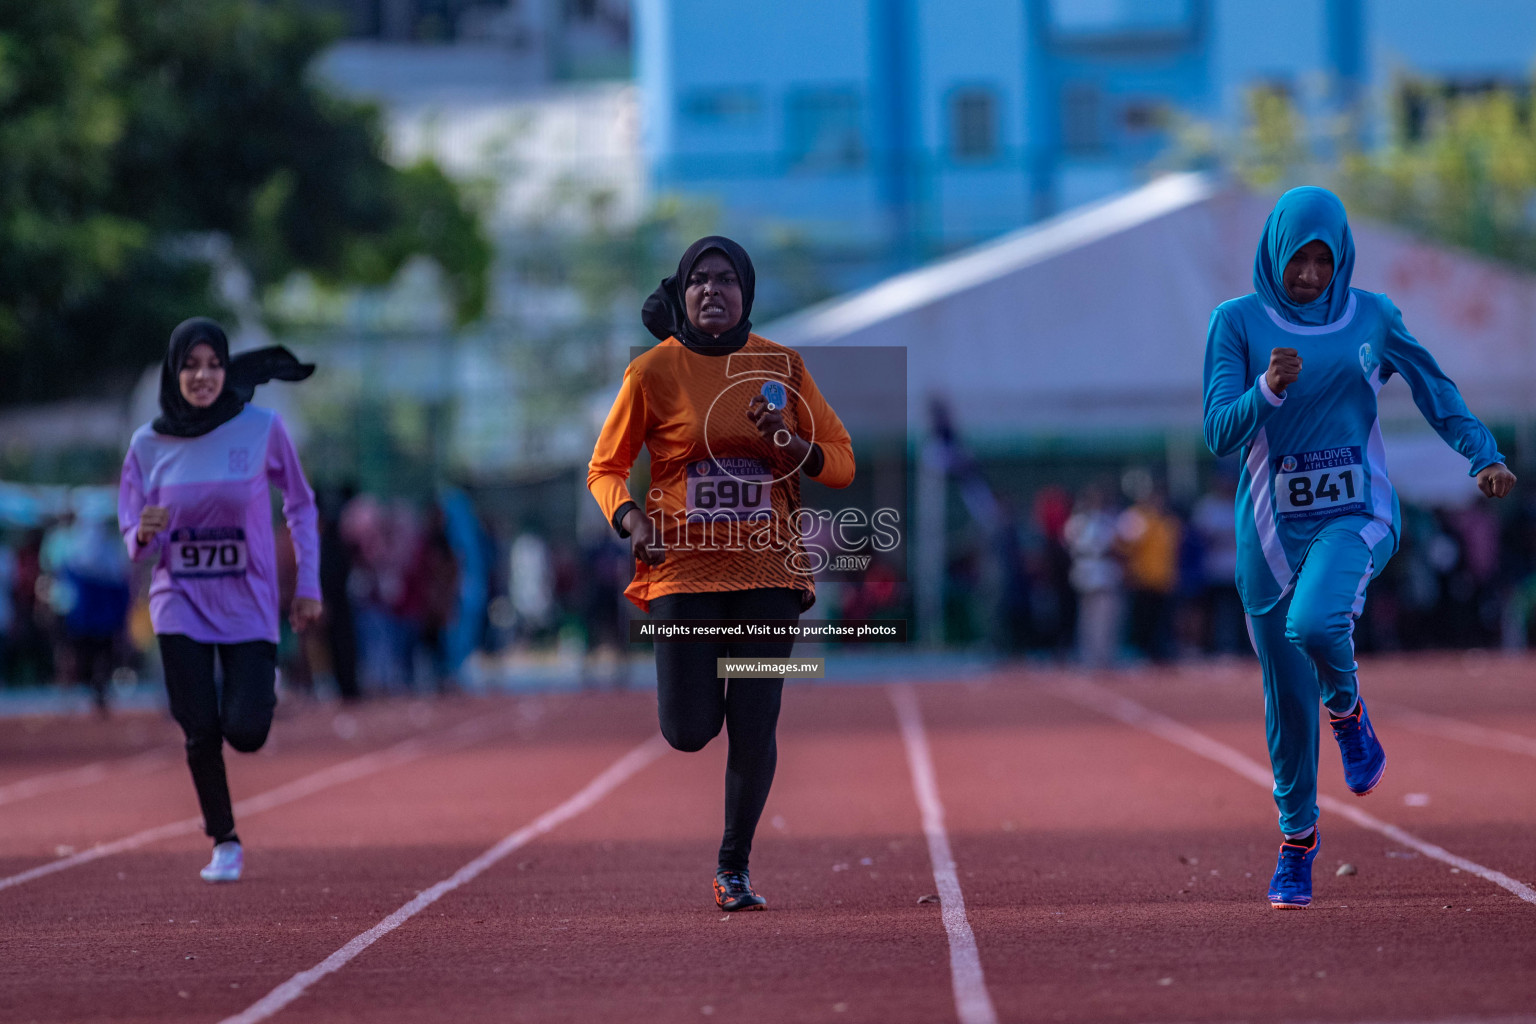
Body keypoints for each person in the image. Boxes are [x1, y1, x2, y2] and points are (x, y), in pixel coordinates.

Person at [1202, 187, 1516, 909]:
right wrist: (1266, 390)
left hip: (1358, 509)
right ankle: (1298, 842)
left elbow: (1433, 386)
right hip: (1270, 534)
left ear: (1341, 254)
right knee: (1285, 700)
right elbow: (1220, 432)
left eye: (1323, 258)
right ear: (1275, 252)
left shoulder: (1372, 314)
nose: (1311, 274)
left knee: (1314, 624)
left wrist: (1482, 454)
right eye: (1298, 260)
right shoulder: (1237, 323)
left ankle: (1349, 713)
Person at [588, 236, 855, 911]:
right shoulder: (652, 372)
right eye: (700, 280)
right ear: (682, 293)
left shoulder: (780, 366)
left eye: (727, 279)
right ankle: (699, 724)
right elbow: (605, 467)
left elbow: (842, 461)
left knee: (756, 721)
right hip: (682, 573)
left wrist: (789, 442)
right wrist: (629, 520)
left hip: (769, 574)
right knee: (687, 730)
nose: (714, 290)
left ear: (747, 293)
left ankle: (733, 866)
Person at [118, 317, 322, 884]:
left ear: (226, 369)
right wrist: (143, 532)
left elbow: (300, 505)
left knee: (246, 732)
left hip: (247, 602)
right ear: (173, 372)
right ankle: (224, 840)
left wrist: (307, 585)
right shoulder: (147, 444)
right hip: (178, 597)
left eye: (212, 365)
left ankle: (262, 692)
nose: (202, 376)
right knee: (198, 726)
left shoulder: (261, 429)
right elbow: (135, 543)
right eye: (190, 365)